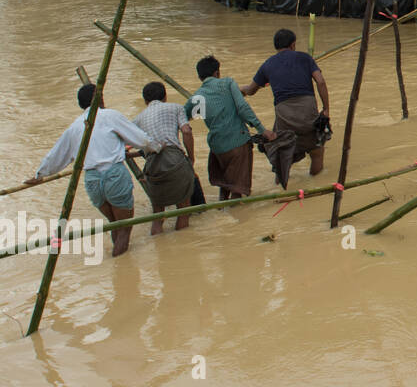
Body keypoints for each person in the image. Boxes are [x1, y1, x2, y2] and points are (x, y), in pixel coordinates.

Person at [27, 84, 161, 257]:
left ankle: (119, 269)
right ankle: (118, 264)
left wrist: (40, 174)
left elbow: (56, 156)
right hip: (113, 175)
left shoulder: (75, 127)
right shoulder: (109, 116)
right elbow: (142, 140)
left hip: (92, 180)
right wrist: (157, 147)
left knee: (114, 223)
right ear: (100, 98)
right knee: (124, 228)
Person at [240, 28, 330, 177]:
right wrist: (326, 109)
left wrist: (239, 90)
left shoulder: (267, 64)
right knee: (317, 151)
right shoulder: (305, 58)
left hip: (285, 117)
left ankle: (281, 185)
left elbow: (250, 90)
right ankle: (314, 184)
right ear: (293, 45)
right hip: (308, 113)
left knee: (282, 154)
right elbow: (320, 81)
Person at [186, 56, 275, 202]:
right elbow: (242, 108)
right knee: (237, 190)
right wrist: (262, 129)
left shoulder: (197, 97)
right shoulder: (227, 83)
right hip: (237, 142)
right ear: (217, 73)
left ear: (200, 77)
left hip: (217, 148)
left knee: (225, 184)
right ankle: (237, 217)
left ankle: (222, 209)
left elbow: (185, 118)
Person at [133, 82, 199, 235]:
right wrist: (191, 158)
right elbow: (186, 131)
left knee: (157, 215)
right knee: (183, 209)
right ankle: (182, 250)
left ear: (145, 101)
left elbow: (129, 145)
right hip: (175, 160)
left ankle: (159, 248)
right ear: (165, 97)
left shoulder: (137, 119)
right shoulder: (176, 108)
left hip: (152, 165)